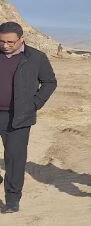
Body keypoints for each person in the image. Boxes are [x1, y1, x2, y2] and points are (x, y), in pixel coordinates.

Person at [0, 21, 57, 213]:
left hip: (19, 116)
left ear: (21, 39)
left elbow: (49, 82)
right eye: (2, 41)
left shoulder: (36, 57)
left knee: (14, 159)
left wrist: (35, 104)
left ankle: (12, 199)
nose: (5, 45)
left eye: (10, 42)